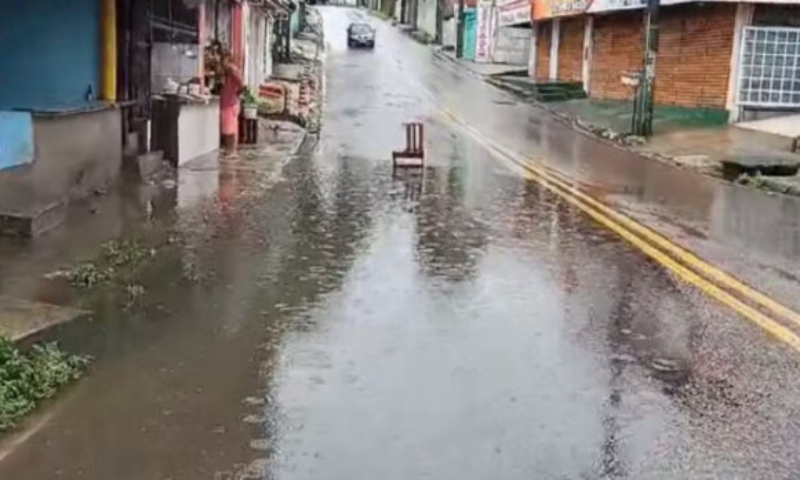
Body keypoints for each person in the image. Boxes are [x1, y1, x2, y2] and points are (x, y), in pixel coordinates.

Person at [219, 51, 244, 156]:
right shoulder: (228, 73)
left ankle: (232, 150)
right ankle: (229, 150)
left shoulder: (233, 70)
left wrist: (238, 92)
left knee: (230, 128)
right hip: (227, 102)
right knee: (227, 127)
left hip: (231, 103)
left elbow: (241, 83)